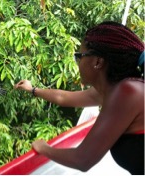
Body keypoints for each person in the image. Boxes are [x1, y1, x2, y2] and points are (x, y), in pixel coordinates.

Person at [14, 21, 144, 175]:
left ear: (97, 62)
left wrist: (44, 148)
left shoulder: (128, 92)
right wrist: (32, 89)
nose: (78, 63)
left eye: (79, 56)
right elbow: (64, 97)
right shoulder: (114, 89)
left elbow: (82, 159)